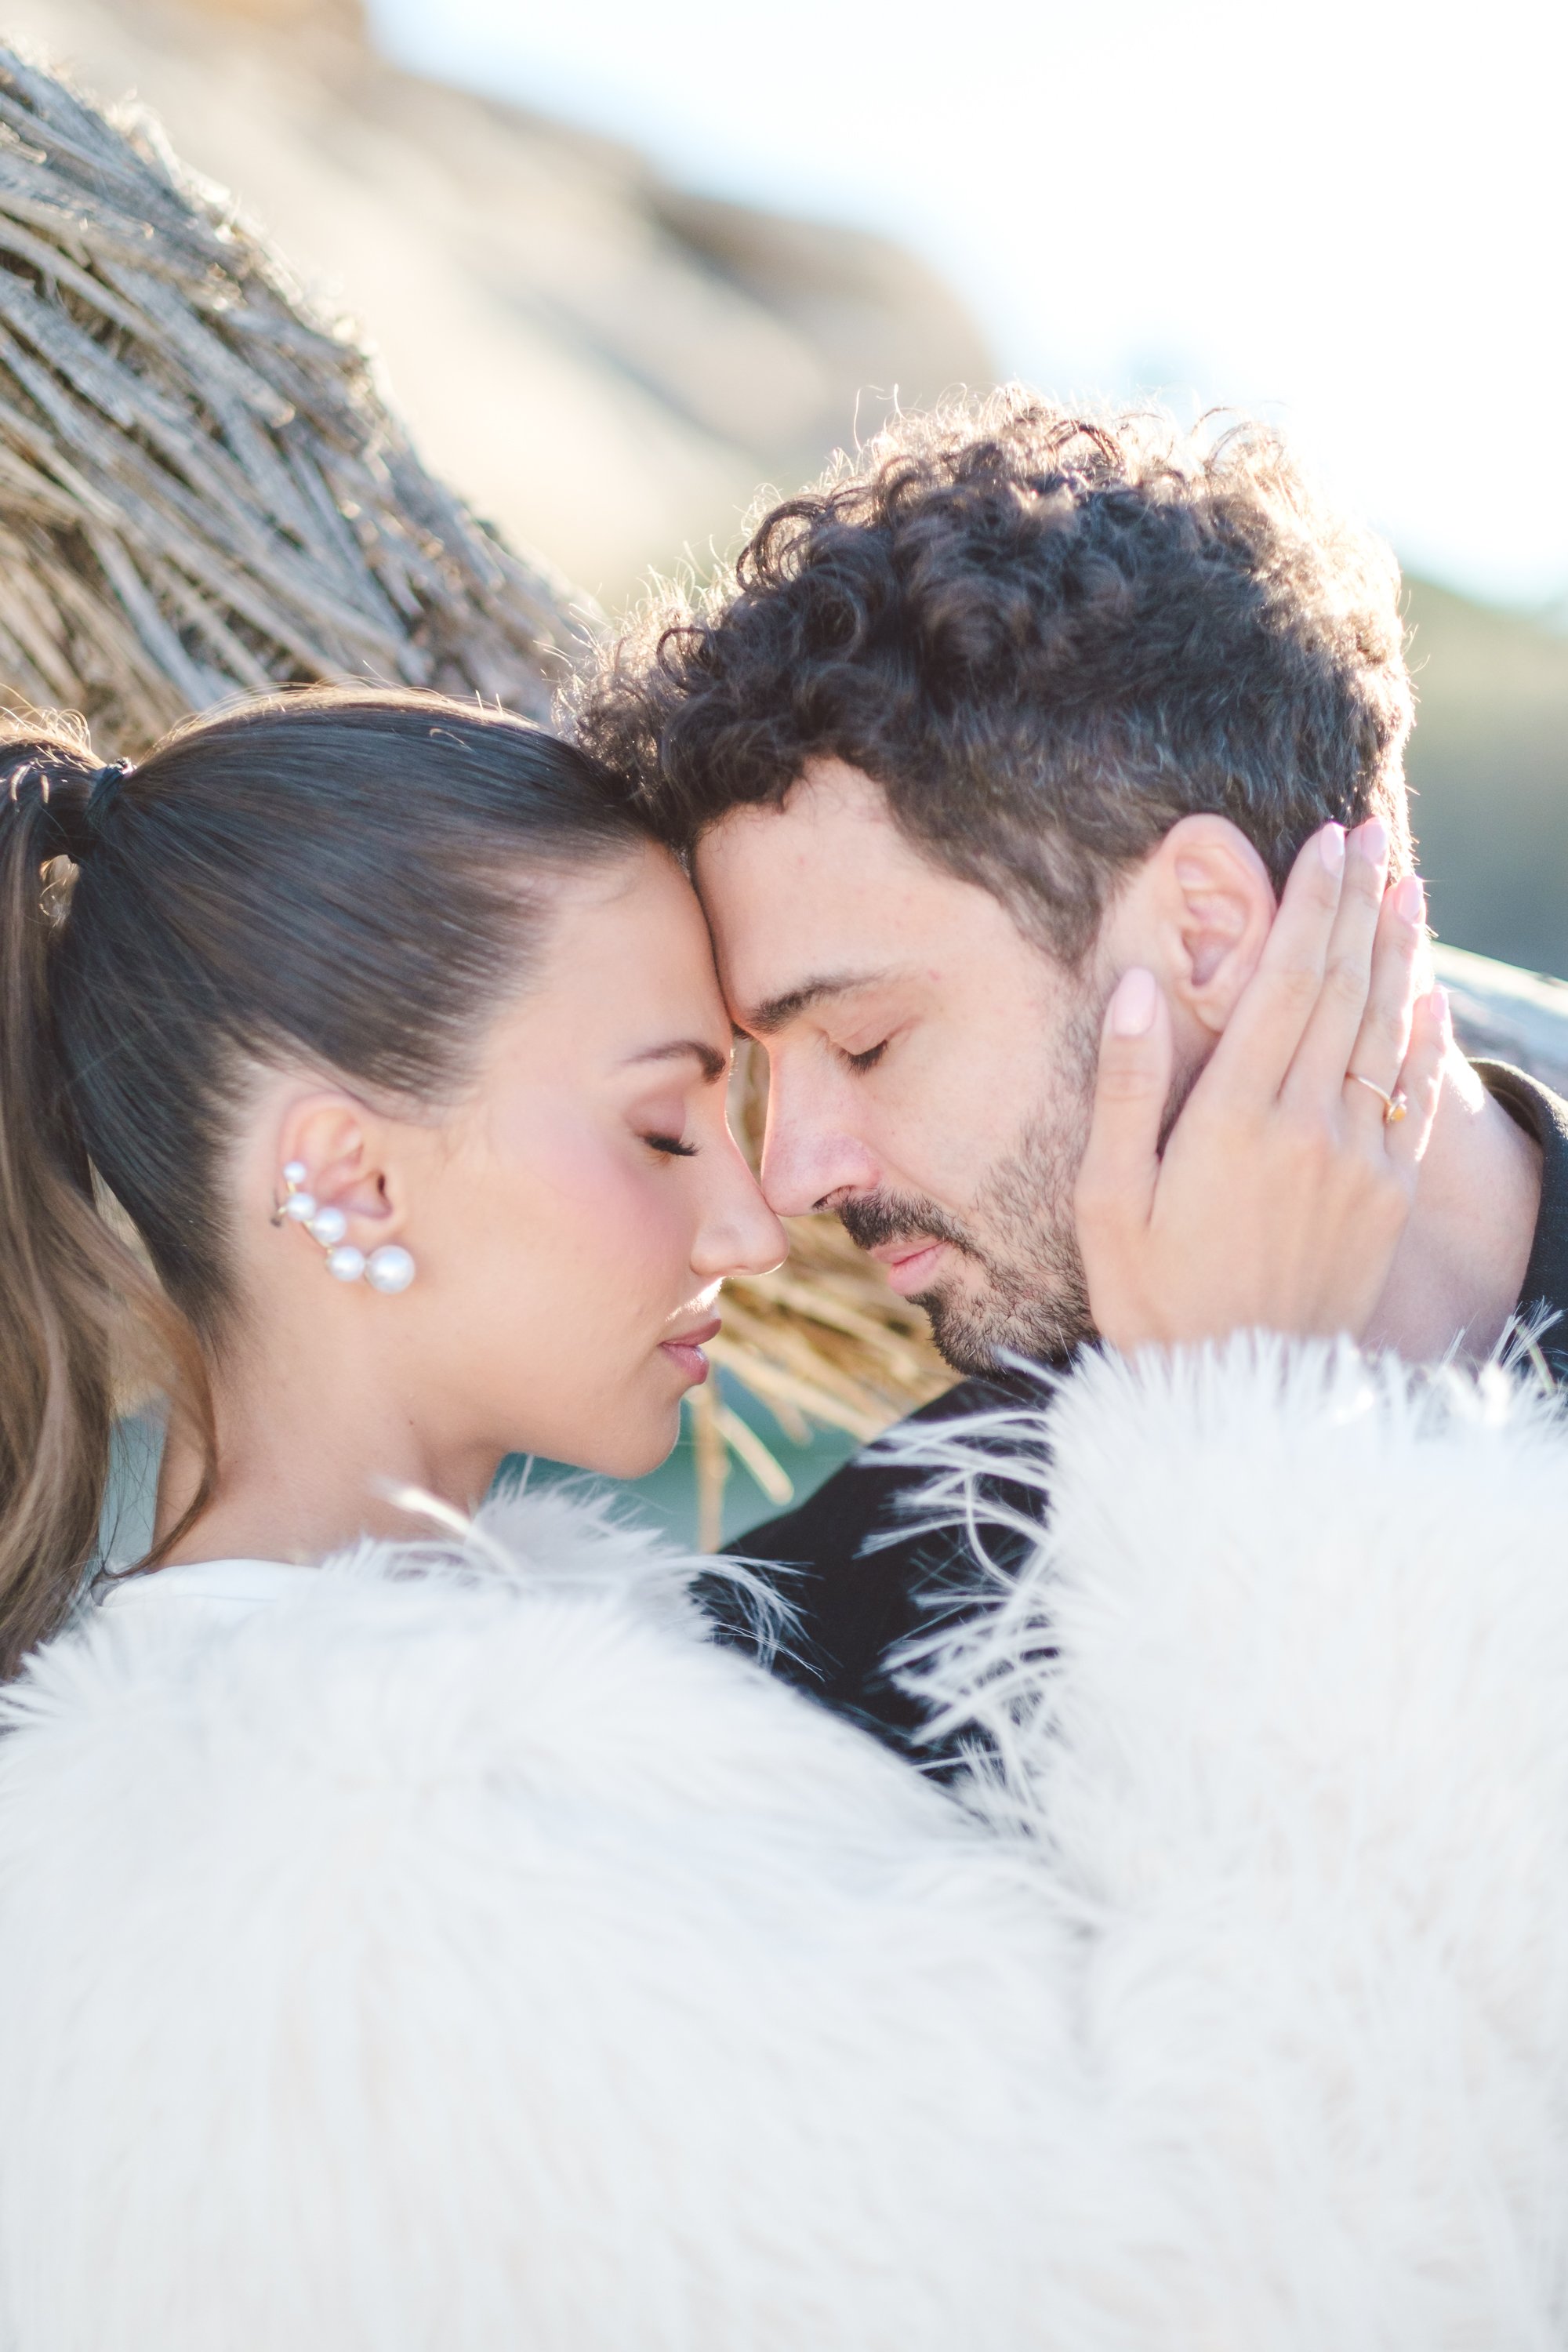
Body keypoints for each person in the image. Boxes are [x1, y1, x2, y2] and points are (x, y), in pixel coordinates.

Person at [2, 687, 1562, 2345]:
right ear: (347, 1179)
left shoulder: (138, 1812)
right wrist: (1246, 1436)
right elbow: (1324, 2264)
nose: (753, 1221)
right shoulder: (416, 1842)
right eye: (664, 1125)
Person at [575, 391, 1566, 1754]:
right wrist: (1221, 1414)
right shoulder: (808, 1665)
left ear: (1205, 933)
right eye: (766, 1071)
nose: (795, 1174)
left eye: (865, 1040)